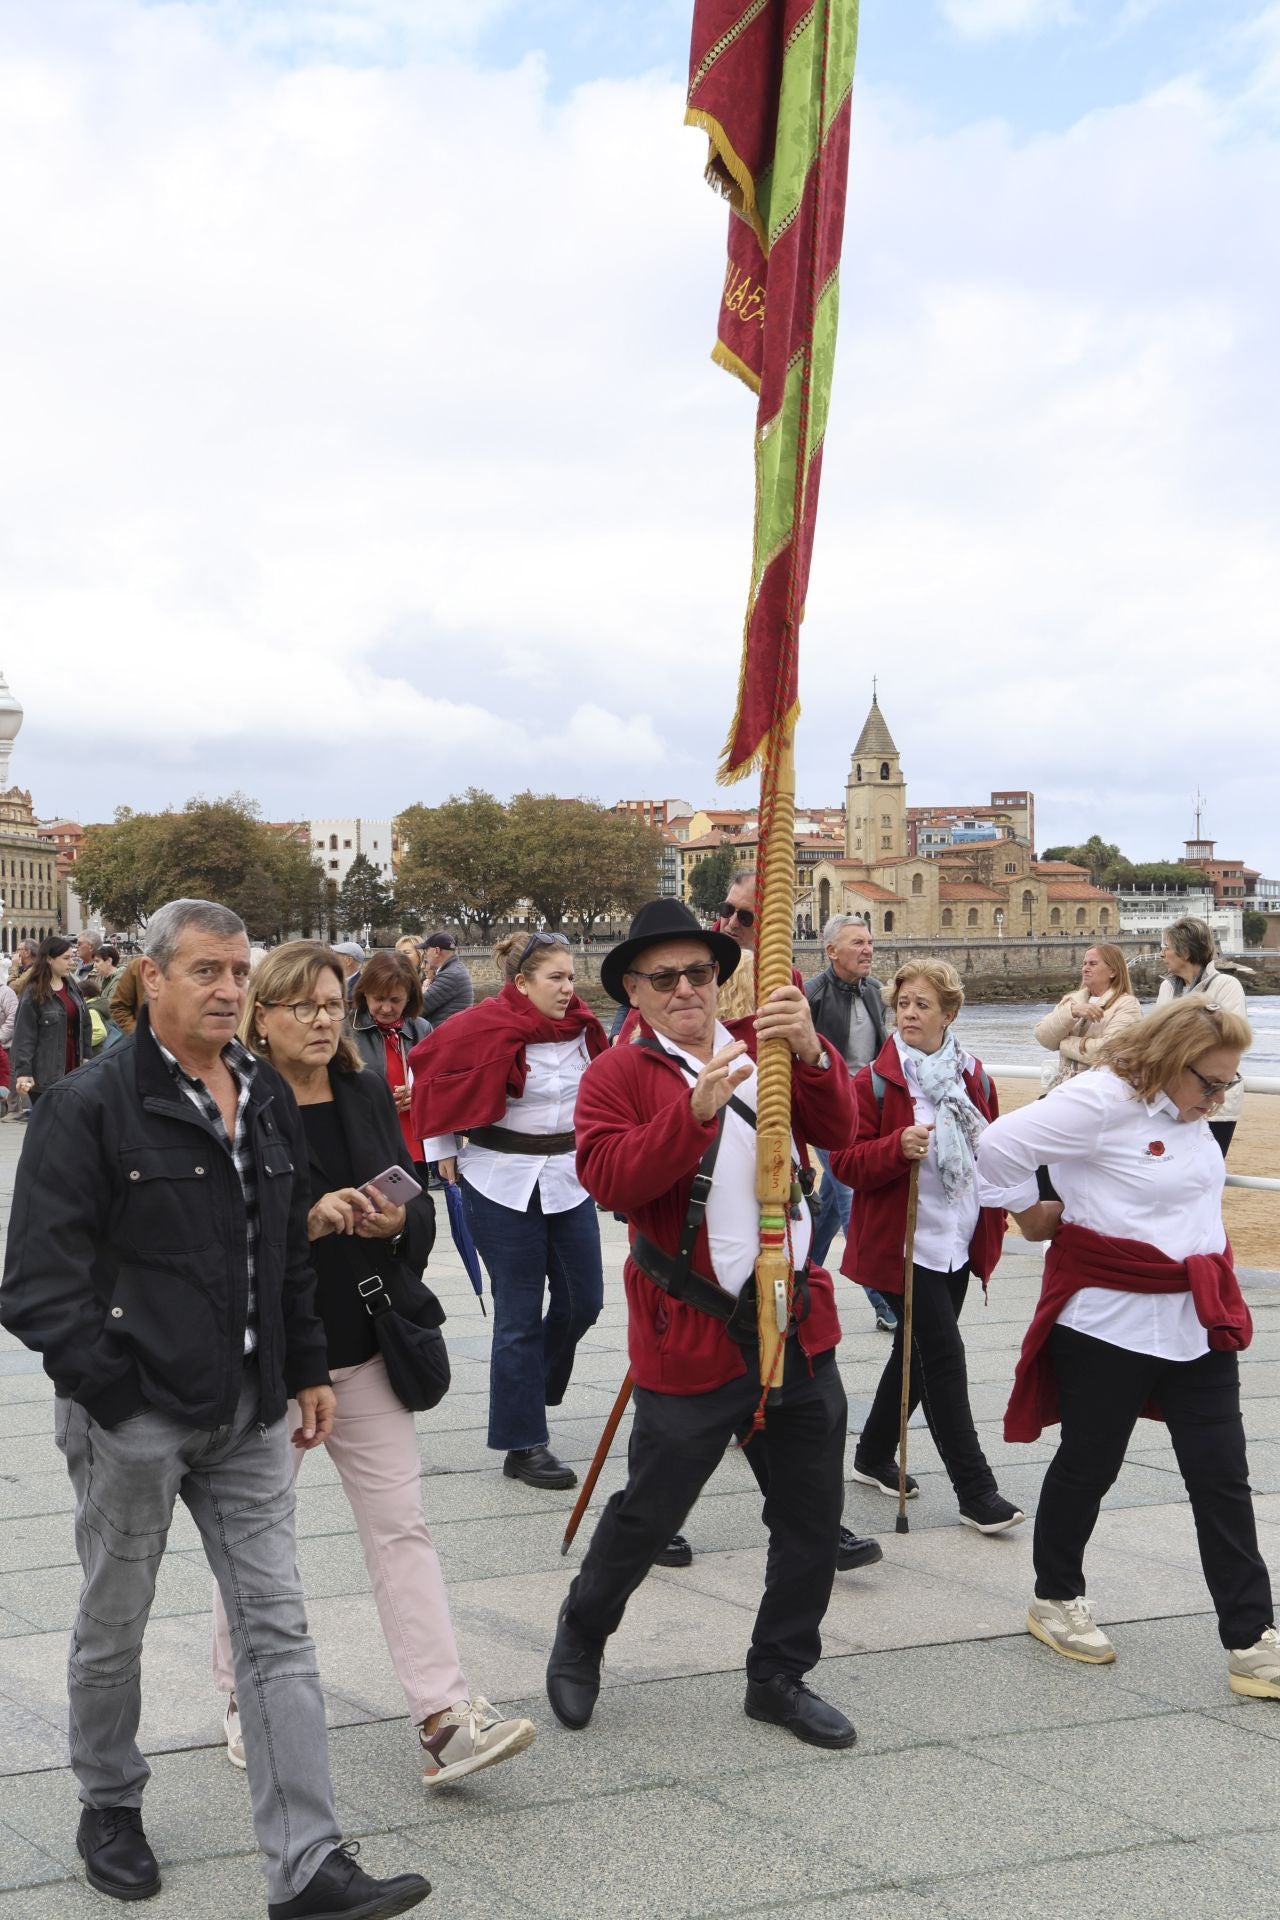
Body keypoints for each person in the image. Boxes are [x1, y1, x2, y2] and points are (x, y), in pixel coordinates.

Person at [0, 900, 430, 1919]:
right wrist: (112, 1390)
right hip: (135, 1415)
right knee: (117, 1619)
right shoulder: (91, 1105)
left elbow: (280, 1247)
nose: (230, 990)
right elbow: (35, 1283)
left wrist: (307, 1366)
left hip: (248, 1408)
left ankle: (308, 1861)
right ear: (152, 979)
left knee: (276, 1626)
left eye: (239, 972)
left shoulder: (262, 1097)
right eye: (207, 971)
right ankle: (109, 1800)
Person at [211, 941, 535, 1785]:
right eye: (301, 1007)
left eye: (331, 1004)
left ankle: (443, 1714)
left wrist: (395, 1224)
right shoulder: (233, 1098)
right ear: (263, 1016)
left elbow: (414, 1205)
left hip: (364, 1344)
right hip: (273, 1355)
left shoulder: (360, 1088)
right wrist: (305, 1221)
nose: (322, 1020)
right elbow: (213, 1233)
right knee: (257, 1538)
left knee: (402, 1529)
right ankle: (248, 1698)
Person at [547, 899, 861, 1749]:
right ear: (635, 993)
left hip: (794, 1323)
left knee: (808, 1516)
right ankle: (583, 1628)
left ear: (721, 978)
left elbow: (842, 1129)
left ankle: (780, 1674)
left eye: (700, 972)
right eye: (665, 977)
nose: (687, 987)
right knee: (651, 1512)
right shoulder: (617, 1075)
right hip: (692, 1329)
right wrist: (689, 1116)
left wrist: (812, 1052)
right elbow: (610, 1179)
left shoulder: (767, 1041)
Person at [975, 998, 1278, 1698]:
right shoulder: (1100, 1101)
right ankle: (1055, 1596)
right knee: (1090, 1463)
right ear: (1171, 1061)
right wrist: (1029, 1210)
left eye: (1230, 1083)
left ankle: (1252, 1638)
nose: (1220, 1097)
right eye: (1211, 1082)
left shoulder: (1194, 1112)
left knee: (1222, 1475)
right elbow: (997, 1146)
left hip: (1197, 1319)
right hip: (1108, 1322)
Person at [831, 959, 1023, 1534]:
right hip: (902, 1244)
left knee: (913, 1352)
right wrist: (896, 1146)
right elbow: (844, 1162)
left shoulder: (974, 1076)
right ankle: (975, 1491)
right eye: (903, 1004)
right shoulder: (874, 1082)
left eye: (922, 1005)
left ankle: (869, 1455)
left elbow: (996, 1149)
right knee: (943, 1356)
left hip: (958, 1237)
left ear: (949, 1013)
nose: (909, 1014)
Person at [410, 931, 608, 1489]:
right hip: (499, 1179)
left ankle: (528, 1389)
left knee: (583, 1302)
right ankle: (523, 1442)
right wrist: (442, 1149)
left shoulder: (584, 1030)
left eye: (571, 977)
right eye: (556, 978)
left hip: (569, 1178)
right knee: (517, 1315)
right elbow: (433, 1075)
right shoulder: (484, 1024)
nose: (568, 988)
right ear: (521, 983)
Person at [805, 915, 898, 1333]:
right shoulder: (812, 996)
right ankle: (885, 1302)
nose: (868, 949)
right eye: (858, 942)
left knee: (829, 1202)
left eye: (870, 942)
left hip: (869, 1109)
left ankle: (801, 1279)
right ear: (831, 951)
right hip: (829, 1112)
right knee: (851, 1197)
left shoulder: (878, 993)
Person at [1156, 916, 1248, 1155]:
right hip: (1170, 1098)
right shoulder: (1166, 987)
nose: (1161, 954)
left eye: (1165, 948)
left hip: (1214, 1100)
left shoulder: (1226, 986)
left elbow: (1230, 1040)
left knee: (1206, 1172)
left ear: (1184, 952)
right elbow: (1154, 1037)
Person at [349, 949, 432, 1170]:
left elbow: (442, 1085)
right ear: (364, 993)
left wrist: (421, 1094)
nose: (386, 1008)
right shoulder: (345, 1031)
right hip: (366, 1148)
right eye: (378, 999)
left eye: (396, 1000)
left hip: (415, 1149)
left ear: (410, 998)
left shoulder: (422, 1029)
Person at [1034, 945, 1141, 1093]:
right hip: (1065, 1089)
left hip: (1100, 1092)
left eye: (1093, 964)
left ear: (1113, 971)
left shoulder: (1127, 1005)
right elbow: (1043, 1037)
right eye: (1084, 964)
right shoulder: (1072, 1000)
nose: (1085, 968)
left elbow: (1113, 1053)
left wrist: (1064, 1043)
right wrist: (1072, 1012)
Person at [11, 935, 93, 1105]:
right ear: (49, 959)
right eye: (66, 958)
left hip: (74, 1065)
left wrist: (86, 1056)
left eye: (72, 957)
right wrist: (23, 1072)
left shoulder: (72, 985)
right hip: (45, 1071)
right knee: (48, 1125)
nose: (72, 962)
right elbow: (24, 1035)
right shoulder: (34, 992)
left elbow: (85, 1023)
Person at [420, 931, 475, 1027]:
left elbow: (418, 1008)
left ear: (436, 951)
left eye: (426, 951)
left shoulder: (451, 975)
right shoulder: (453, 970)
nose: (425, 955)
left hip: (444, 1037)